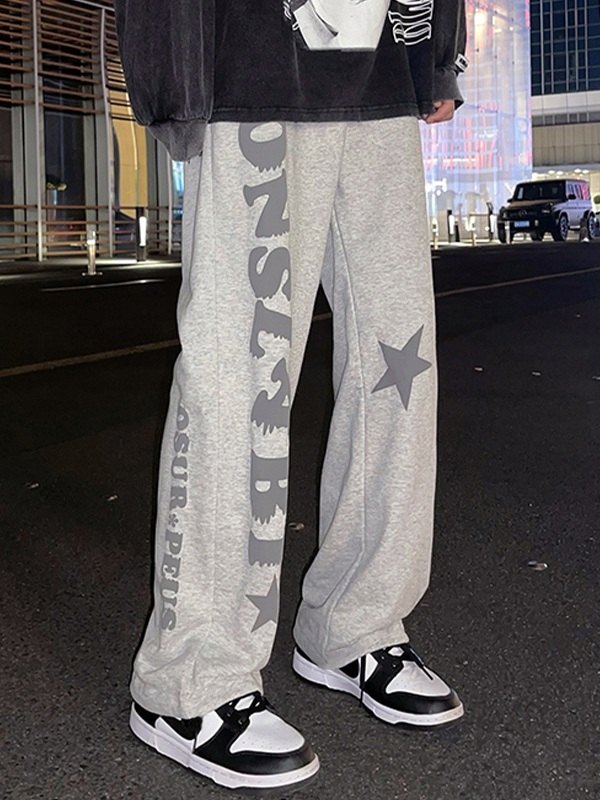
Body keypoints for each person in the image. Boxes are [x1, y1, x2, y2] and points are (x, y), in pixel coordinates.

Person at [114, 0, 469, 794]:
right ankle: (191, 678)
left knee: (399, 371)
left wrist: (435, 53)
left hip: (380, 77)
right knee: (238, 375)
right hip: (256, 67)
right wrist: (169, 79)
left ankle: (355, 622)